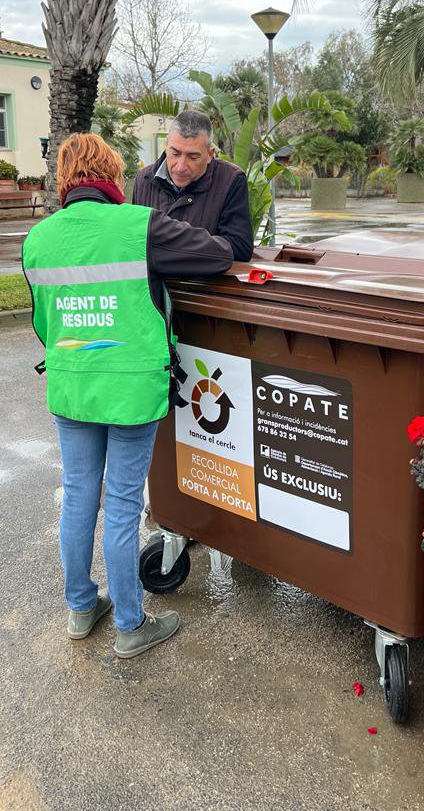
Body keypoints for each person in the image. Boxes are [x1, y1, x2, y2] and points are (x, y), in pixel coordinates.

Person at [22, 133, 233, 658]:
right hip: (132, 387)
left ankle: (80, 609)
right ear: (111, 177)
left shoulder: (38, 239)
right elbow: (217, 254)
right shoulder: (139, 226)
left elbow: (43, 321)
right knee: (120, 504)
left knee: (77, 497)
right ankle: (131, 625)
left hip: (72, 384)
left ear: (64, 180)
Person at [132, 109, 254, 262]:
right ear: (166, 145)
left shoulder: (231, 181)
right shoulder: (143, 180)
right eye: (175, 153)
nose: (181, 166)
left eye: (193, 157)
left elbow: (240, 248)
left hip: (203, 284)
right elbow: (134, 242)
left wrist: (172, 239)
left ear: (210, 154)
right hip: (152, 285)